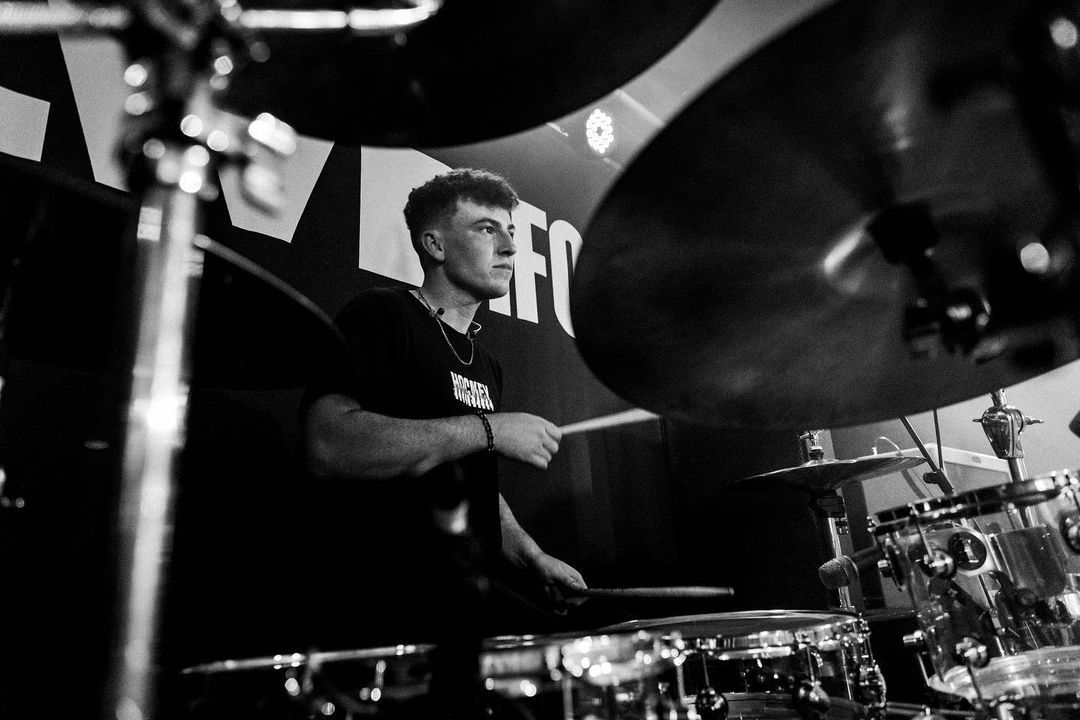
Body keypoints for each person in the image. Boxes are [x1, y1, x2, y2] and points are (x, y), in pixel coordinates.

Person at [301, 168, 586, 647]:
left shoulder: (487, 363)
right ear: (435, 245)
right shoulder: (382, 315)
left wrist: (532, 556)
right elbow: (327, 443)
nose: (510, 248)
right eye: (487, 230)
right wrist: (489, 430)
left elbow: (474, 487)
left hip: (472, 589)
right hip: (389, 596)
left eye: (510, 231)